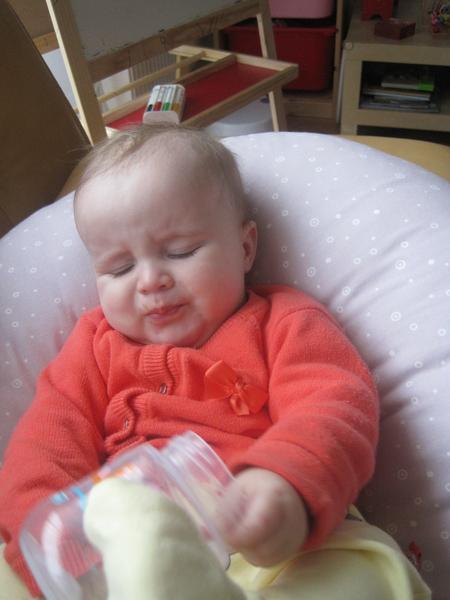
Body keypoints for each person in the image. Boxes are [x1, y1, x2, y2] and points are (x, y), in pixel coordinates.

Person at [0, 123, 429, 599]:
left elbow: (334, 405)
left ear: (245, 248)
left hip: (271, 548)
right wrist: (51, 554)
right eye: (120, 268)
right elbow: (41, 449)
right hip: (117, 554)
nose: (150, 281)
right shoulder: (95, 347)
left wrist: (286, 483)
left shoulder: (284, 322)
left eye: (179, 252)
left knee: (366, 575)